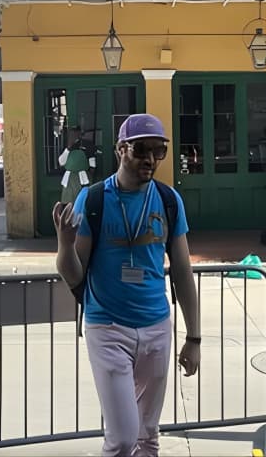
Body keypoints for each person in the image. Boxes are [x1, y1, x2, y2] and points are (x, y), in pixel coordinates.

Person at [53, 113, 200, 457]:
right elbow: (74, 274)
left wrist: (193, 337)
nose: (150, 159)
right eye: (141, 149)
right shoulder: (93, 200)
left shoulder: (168, 200)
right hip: (107, 327)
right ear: (121, 149)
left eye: (158, 151)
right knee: (122, 439)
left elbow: (181, 269)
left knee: (148, 437)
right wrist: (64, 244)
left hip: (156, 328)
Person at [58, 125, 97, 205]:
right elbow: (61, 162)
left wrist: (90, 175)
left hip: (83, 178)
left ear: (80, 134)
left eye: (76, 133)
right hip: (69, 179)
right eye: (72, 134)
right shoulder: (66, 145)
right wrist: (68, 148)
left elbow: (92, 162)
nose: (73, 136)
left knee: (83, 202)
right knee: (68, 203)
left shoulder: (87, 144)